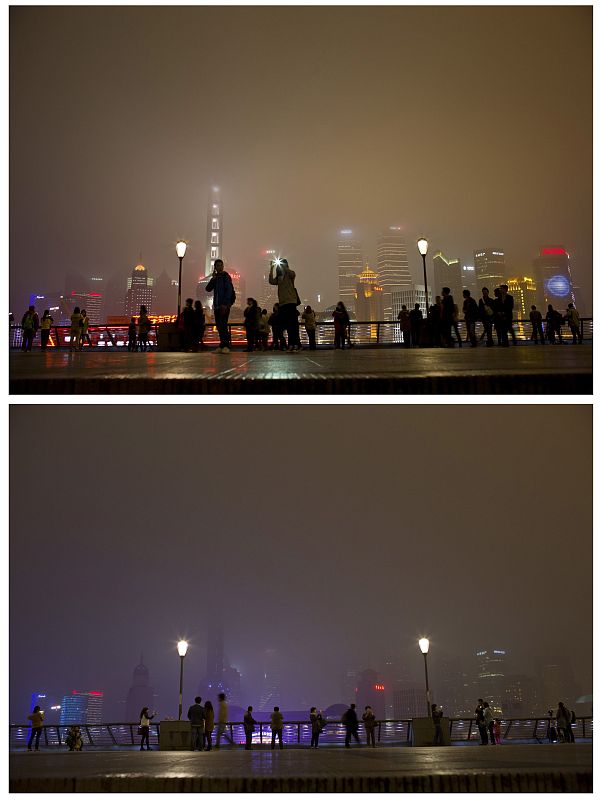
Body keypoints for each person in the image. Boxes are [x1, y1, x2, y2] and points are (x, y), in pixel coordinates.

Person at [268, 258, 301, 351]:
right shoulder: (279, 278)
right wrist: (272, 268)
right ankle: (291, 344)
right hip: (282, 304)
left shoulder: (290, 274)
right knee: (288, 324)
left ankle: (295, 344)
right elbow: (271, 281)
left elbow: (293, 274)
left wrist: (283, 266)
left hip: (291, 301)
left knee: (293, 324)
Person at [206, 259, 236, 353]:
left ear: (223, 266)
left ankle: (226, 346)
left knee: (223, 325)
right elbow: (208, 289)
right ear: (215, 267)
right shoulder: (216, 278)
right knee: (219, 326)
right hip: (217, 306)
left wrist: (225, 304)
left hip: (224, 306)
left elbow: (229, 290)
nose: (219, 267)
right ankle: (222, 345)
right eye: (217, 265)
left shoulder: (225, 276)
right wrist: (213, 278)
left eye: (221, 265)